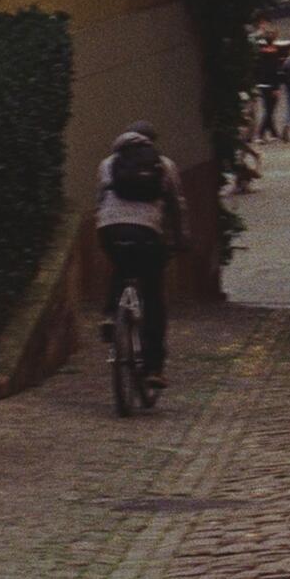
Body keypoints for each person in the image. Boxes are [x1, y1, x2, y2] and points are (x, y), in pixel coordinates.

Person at [96, 123, 186, 390]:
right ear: (151, 142)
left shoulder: (108, 163)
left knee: (122, 263)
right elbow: (177, 205)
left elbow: (100, 199)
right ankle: (153, 369)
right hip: (147, 233)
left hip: (110, 228)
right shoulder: (164, 164)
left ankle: (111, 314)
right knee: (153, 295)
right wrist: (181, 239)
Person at [253, 27, 284, 139]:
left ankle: (273, 133)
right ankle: (260, 134)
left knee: (268, 108)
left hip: (262, 84)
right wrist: (276, 87)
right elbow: (274, 72)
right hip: (271, 85)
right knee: (270, 110)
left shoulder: (260, 54)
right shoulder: (274, 54)